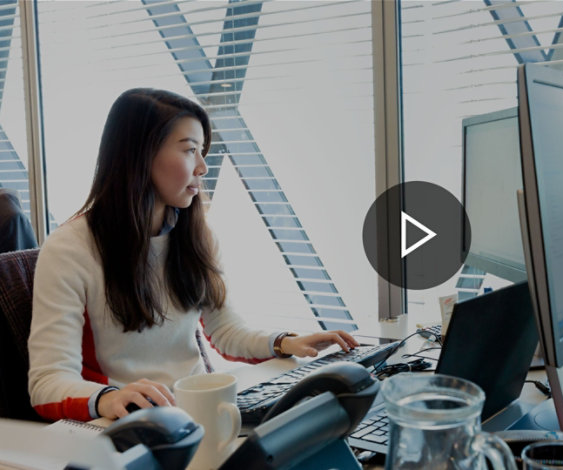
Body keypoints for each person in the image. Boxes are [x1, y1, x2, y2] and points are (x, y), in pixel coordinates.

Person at [27, 88, 359, 422]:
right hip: (128, 421)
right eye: (189, 150)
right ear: (140, 155)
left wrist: (286, 343)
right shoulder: (70, 249)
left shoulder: (196, 236)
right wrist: (108, 398)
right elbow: (47, 382)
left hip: (198, 412)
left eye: (202, 151)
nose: (202, 166)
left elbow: (226, 332)